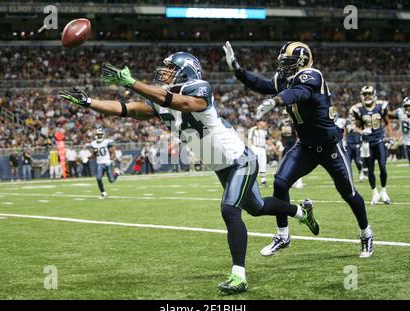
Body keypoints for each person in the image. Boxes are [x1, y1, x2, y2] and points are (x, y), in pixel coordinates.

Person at [59, 51, 319, 295]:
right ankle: (300, 212)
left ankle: (239, 275)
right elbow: (128, 109)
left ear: (185, 71)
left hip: (239, 158)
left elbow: (182, 102)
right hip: (220, 164)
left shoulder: (199, 88)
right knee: (257, 206)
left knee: (230, 209)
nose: (164, 72)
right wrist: (89, 102)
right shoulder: (160, 97)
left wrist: (133, 82)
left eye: (171, 68)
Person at [223, 41, 373, 258]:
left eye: (289, 62)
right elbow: (261, 84)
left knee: (348, 193)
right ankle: (283, 235)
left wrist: (275, 101)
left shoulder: (312, 75)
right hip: (305, 146)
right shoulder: (285, 79)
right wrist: (237, 70)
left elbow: (300, 93)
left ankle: (366, 234)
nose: (284, 67)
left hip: (330, 145)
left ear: (302, 61)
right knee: (280, 183)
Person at [349, 86, 392, 205]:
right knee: (370, 170)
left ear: (373, 94)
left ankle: (384, 191)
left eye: (369, 93)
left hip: (379, 141)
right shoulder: (358, 109)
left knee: (383, 166)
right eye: (365, 94)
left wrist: (389, 136)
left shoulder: (381, 106)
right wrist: (361, 131)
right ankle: (375, 192)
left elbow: (387, 122)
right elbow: (354, 126)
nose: (367, 96)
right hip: (367, 143)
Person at [87, 128, 122, 199]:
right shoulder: (94, 143)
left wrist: (111, 158)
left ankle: (117, 173)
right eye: (98, 135)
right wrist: (88, 158)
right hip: (99, 163)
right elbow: (94, 154)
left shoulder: (106, 142)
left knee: (111, 180)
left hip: (107, 163)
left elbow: (113, 151)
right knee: (98, 178)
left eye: (100, 135)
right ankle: (103, 193)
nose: (99, 136)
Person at [248, 120, 268, 187]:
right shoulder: (253, 129)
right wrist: (250, 149)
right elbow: (249, 139)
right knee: (255, 164)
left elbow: (267, 140)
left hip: (263, 148)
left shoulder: (265, 131)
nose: (265, 123)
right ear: (259, 122)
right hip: (255, 148)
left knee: (263, 164)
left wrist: (274, 146)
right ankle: (253, 181)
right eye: (264, 122)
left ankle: (263, 181)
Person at [392, 97, 410, 165]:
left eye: (409, 106)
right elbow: (389, 114)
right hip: (407, 143)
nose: (407, 108)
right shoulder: (400, 112)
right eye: (406, 106)